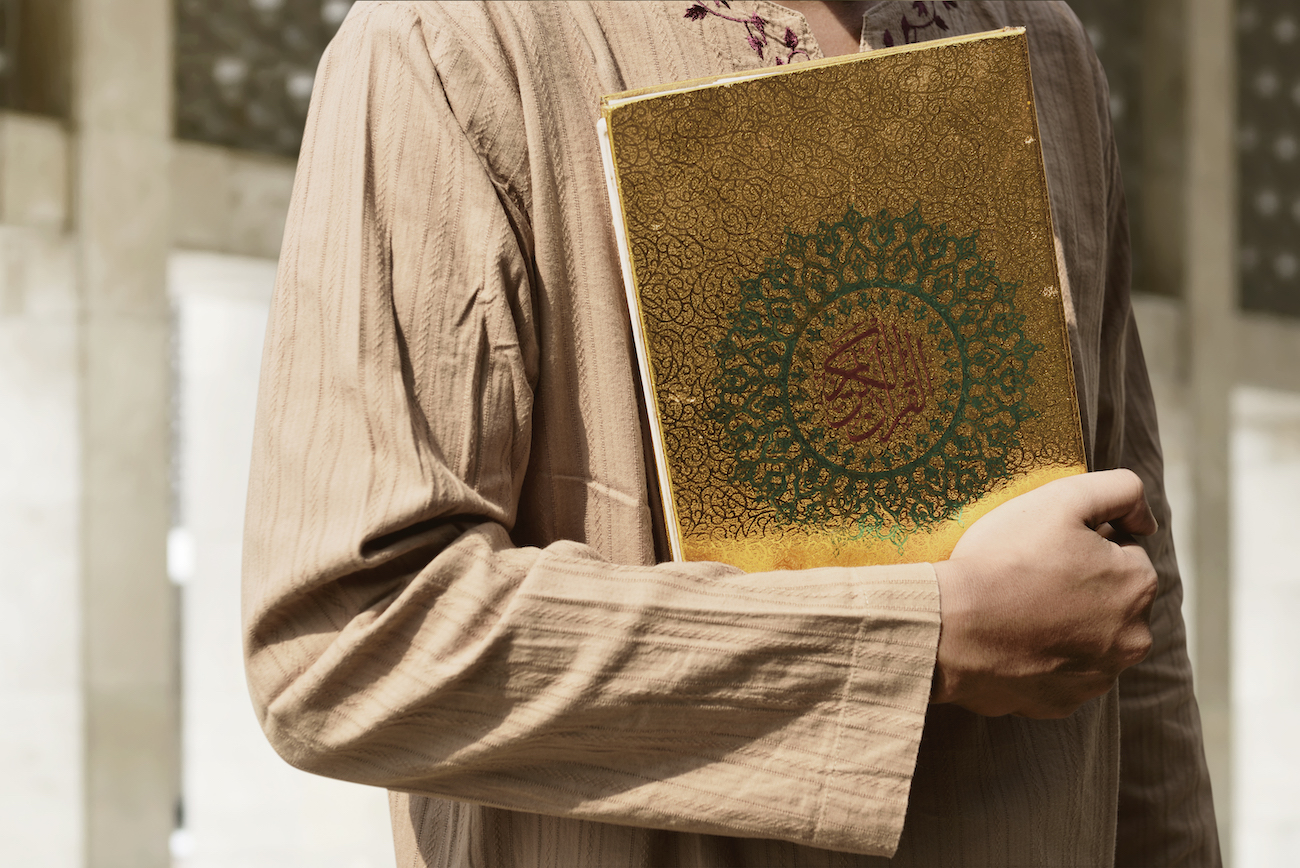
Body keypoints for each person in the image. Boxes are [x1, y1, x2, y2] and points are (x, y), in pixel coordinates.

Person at [242, 2, 1219, 865]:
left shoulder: (1042, 42)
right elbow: (348, 645)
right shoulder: (453, 43)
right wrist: (925, 638)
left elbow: (1136, 602)